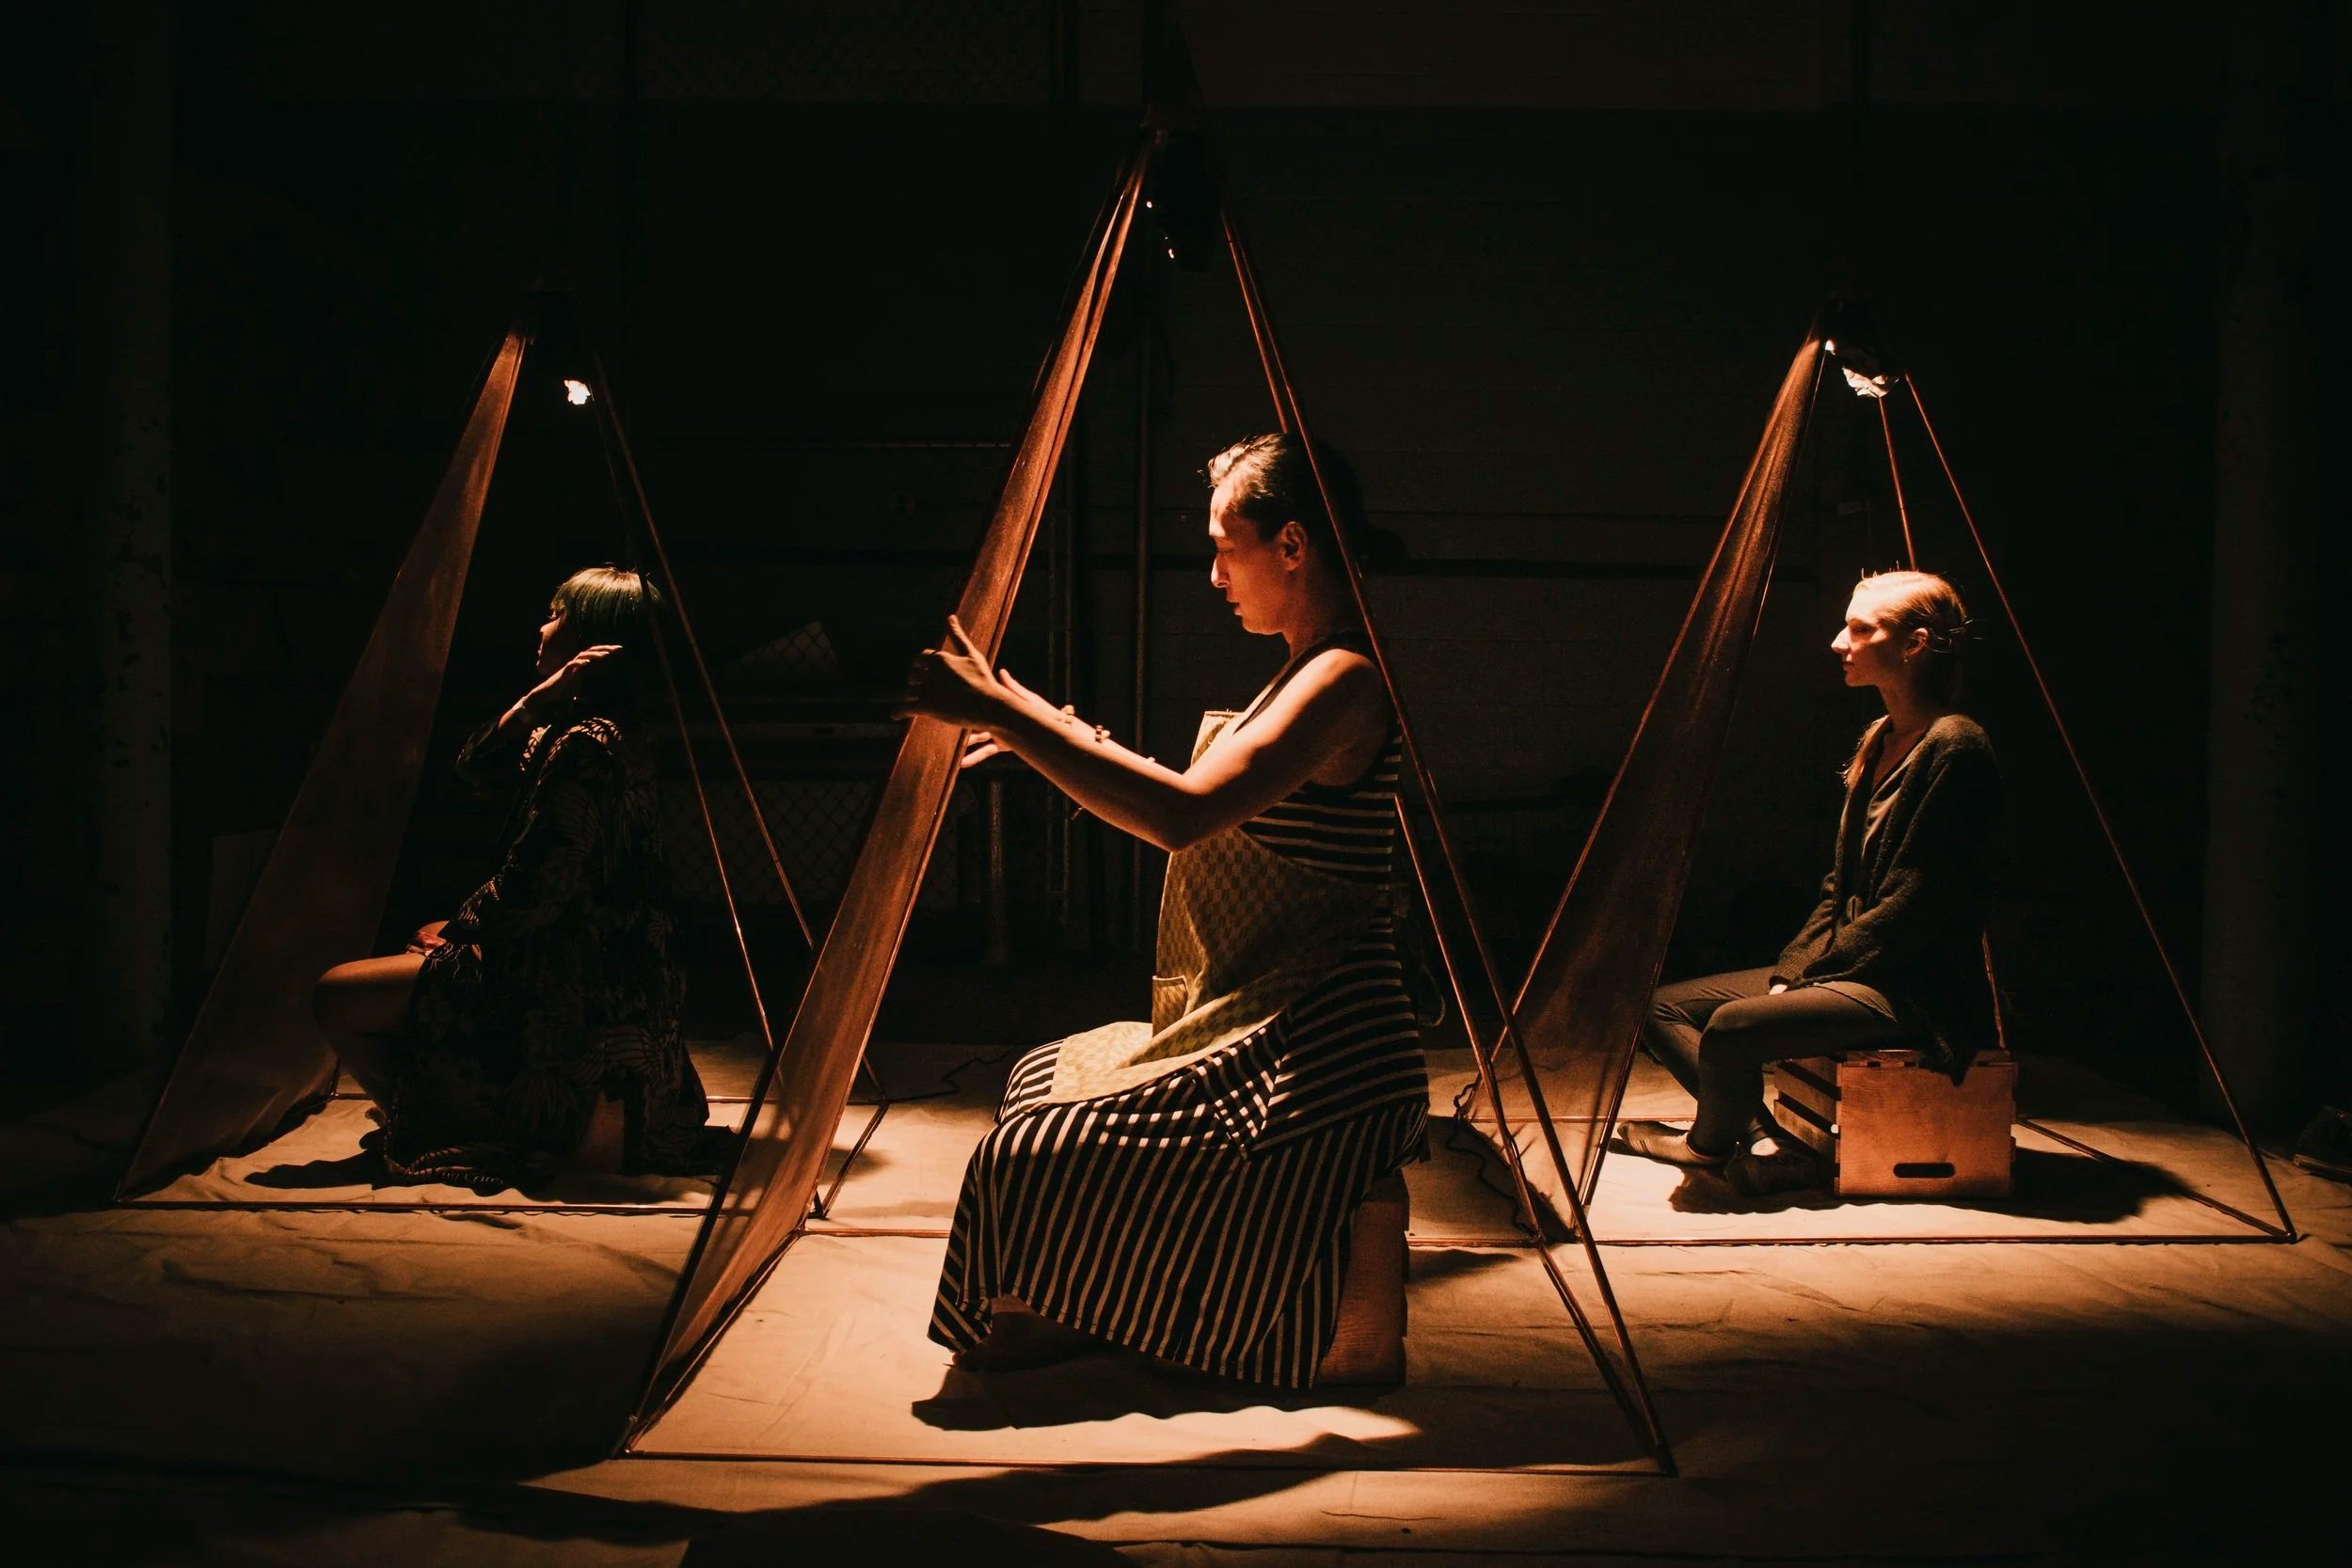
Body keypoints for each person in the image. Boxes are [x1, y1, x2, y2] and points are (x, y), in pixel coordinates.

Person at [899, 433, 1427, 1386]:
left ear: (1293, 546)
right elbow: (1183, 788)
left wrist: (1015, 717)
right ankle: (1089, 1300)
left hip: (1317, 1039)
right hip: (1256, 1008)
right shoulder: (1301, 665)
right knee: (1042, 1071)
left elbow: (1182, 812)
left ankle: (1185, 1313)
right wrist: (1033, 719)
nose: (1214, 570)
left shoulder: (1344, 678)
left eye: (1226, 543)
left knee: (1021, 1150)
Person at [311, 566, 720, 1190]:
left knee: (337, 993)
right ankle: (446, 1107)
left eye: (557, 614)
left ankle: (450, 1120)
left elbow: (536, 887)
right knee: (418, 951)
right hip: (601, 962)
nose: (541, 625)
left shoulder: (588, 744)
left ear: (593, 637)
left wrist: (458, 931)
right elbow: (475, 769)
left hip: (573, 978)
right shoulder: (597, 728)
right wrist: (539, 699)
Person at [1621, 569, 2000, 1196]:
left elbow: (1918, 901)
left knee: (1731, 1029)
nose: (1836, 642)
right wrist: (1791, 970)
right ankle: (1760, 1137)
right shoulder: (1880, 738)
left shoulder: (1955, 745)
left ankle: (1706, 1144)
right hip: (1852, 968)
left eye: (1859, 628)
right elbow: (1838, 885)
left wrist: (1811, 976)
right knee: (1659, 1006)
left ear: (1914, 643)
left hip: (1907, 986)